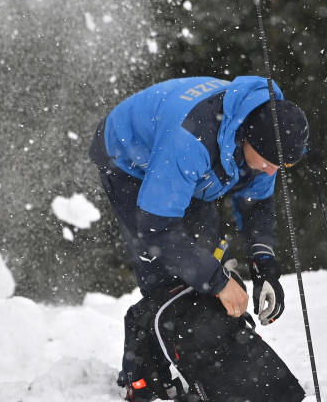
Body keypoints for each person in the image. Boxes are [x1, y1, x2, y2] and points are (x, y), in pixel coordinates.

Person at [90, 76, 309, 400]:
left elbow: (256, 204)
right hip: (131, 160)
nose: (272, 171)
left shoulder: (265, 136)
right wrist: (218, 283)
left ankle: (215, 364)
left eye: (283, 165)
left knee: (206, 262)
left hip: (189, 163)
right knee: (171, 281)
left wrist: (265, 266)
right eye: (268, 161)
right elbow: (157, 229)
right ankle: (145, 380)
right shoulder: (189, 142)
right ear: (246, 139)